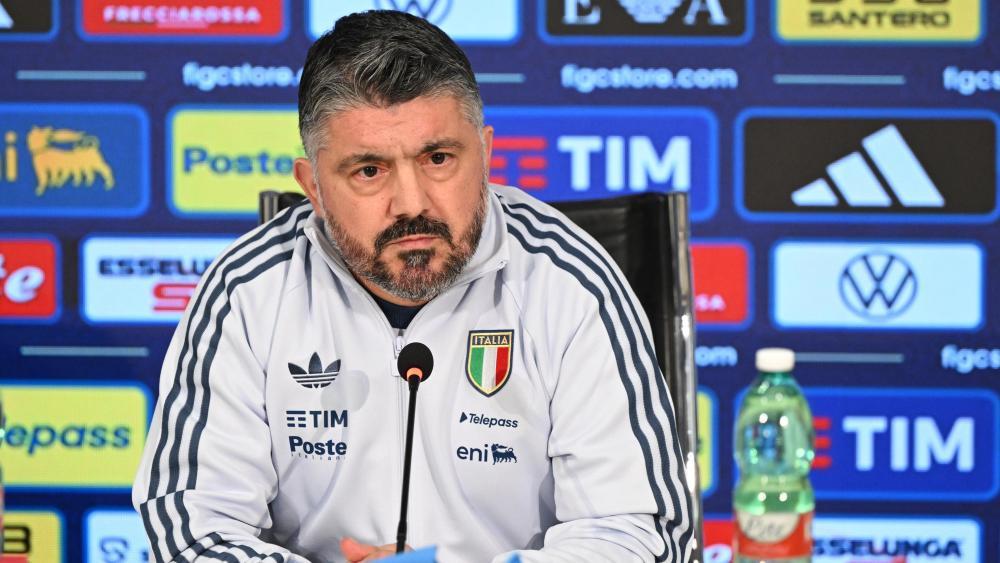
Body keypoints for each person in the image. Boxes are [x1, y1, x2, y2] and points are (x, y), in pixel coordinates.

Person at [133, 10, 692, 563]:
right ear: (313, 187)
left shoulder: (569, 283)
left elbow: (638, 535)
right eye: (369, 171)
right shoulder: (248, 291)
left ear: (486, 153)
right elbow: (192, 527)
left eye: (439, 158)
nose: (413, 203)